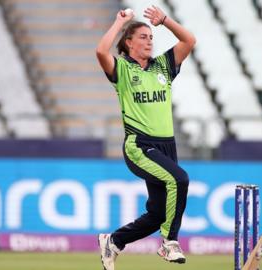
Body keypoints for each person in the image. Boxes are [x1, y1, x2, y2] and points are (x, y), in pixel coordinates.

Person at [95, 5, 195, 269]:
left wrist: (165, 21)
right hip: (139, 145)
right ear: (128, 43)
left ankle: (114, 241)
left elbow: (189, 40)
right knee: (180, 179)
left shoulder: (163, 65)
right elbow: (101, 51)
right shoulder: (124, 70)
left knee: (157, 214)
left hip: (167, 146)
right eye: (143, 36)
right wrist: (119, 22)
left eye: (151, 37)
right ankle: (169, 242)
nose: (149, 41)